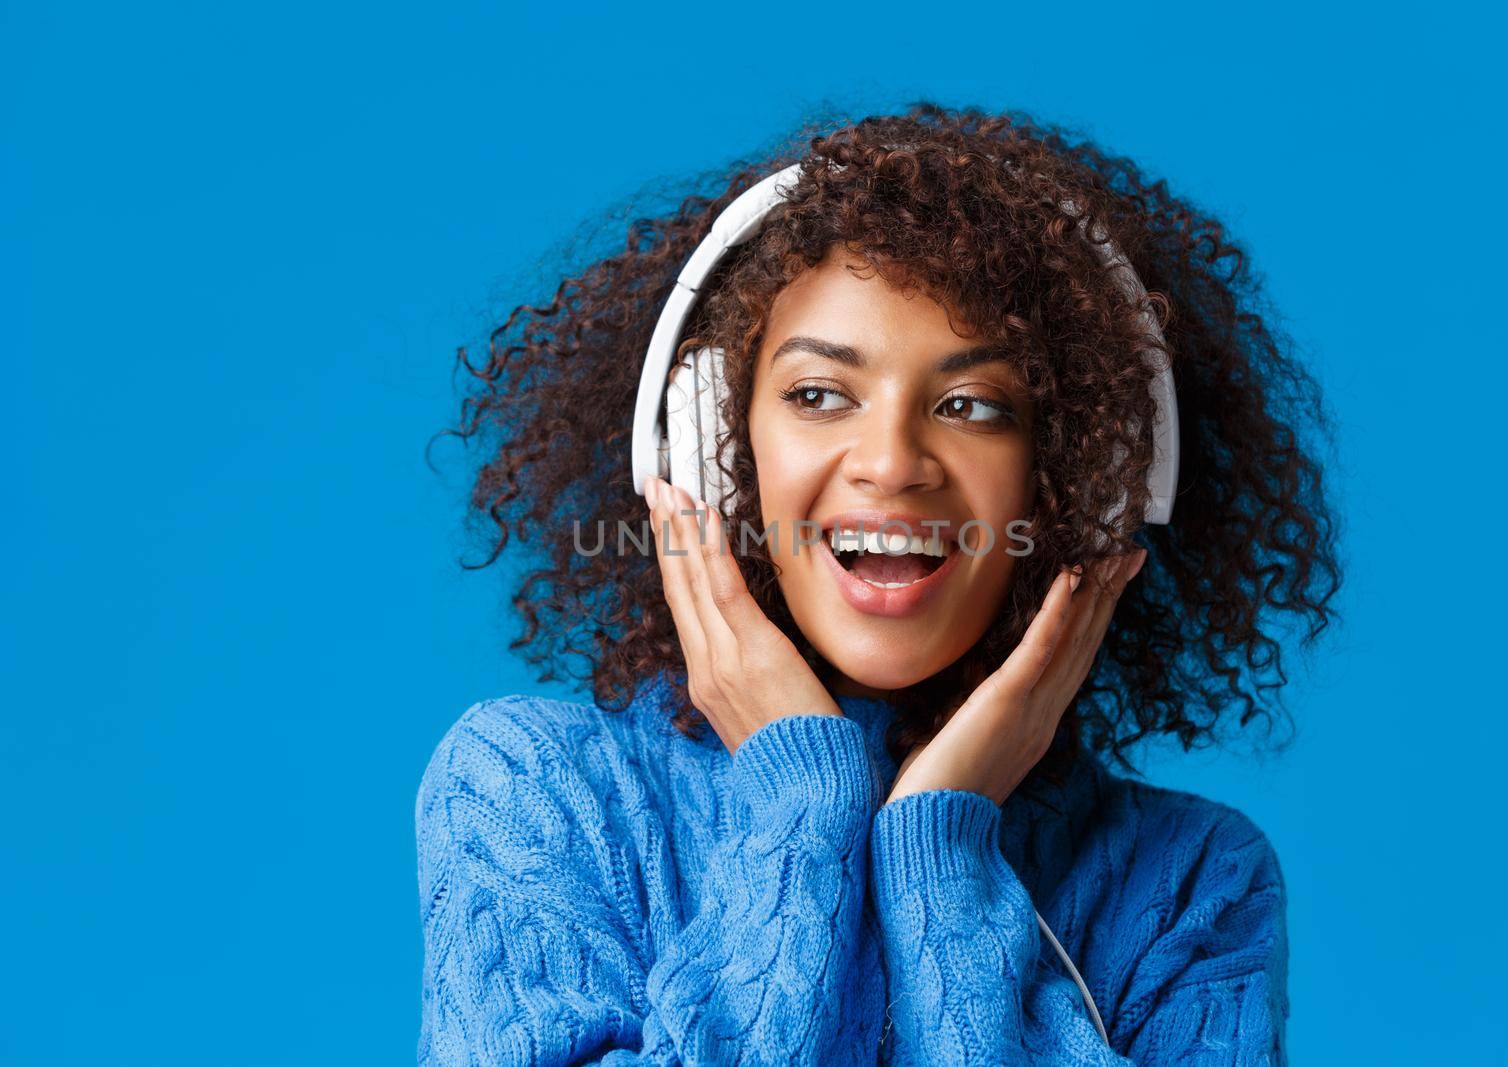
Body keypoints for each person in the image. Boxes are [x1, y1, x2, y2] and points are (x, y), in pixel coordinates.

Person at [415, 102, 1342, 1064]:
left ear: (1091, 481)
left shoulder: (1197, 883)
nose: (892, 463)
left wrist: (942, 855)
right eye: (818, 395)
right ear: (707, 446)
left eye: (972, 405)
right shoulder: (537, 792)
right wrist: (802, 807)